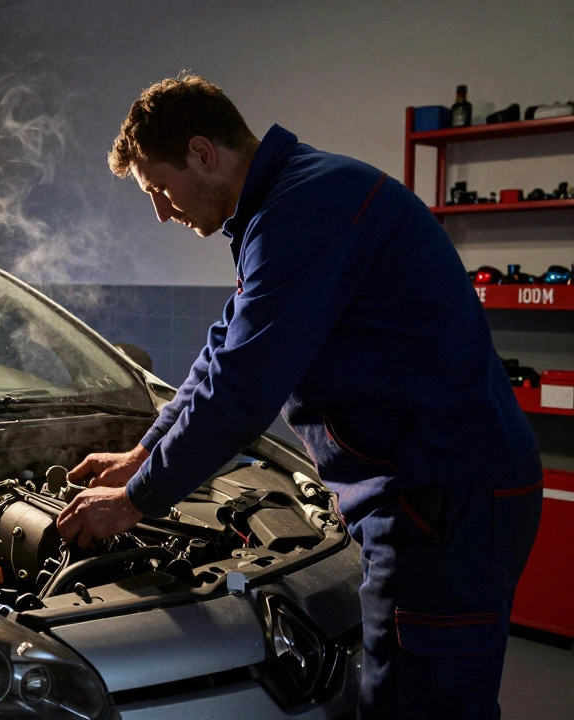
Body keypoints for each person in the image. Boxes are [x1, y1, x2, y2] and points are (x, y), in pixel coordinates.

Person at [55, 74, 542, 719]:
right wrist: (142, 455)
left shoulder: (305, 212)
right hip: (432, 486)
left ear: (202, 153)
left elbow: (242, 389)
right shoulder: (283, 205)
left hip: (444, 496)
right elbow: (224, 352)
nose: (162, 212)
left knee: (420, 707)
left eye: (159, 190)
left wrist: (135, 503)